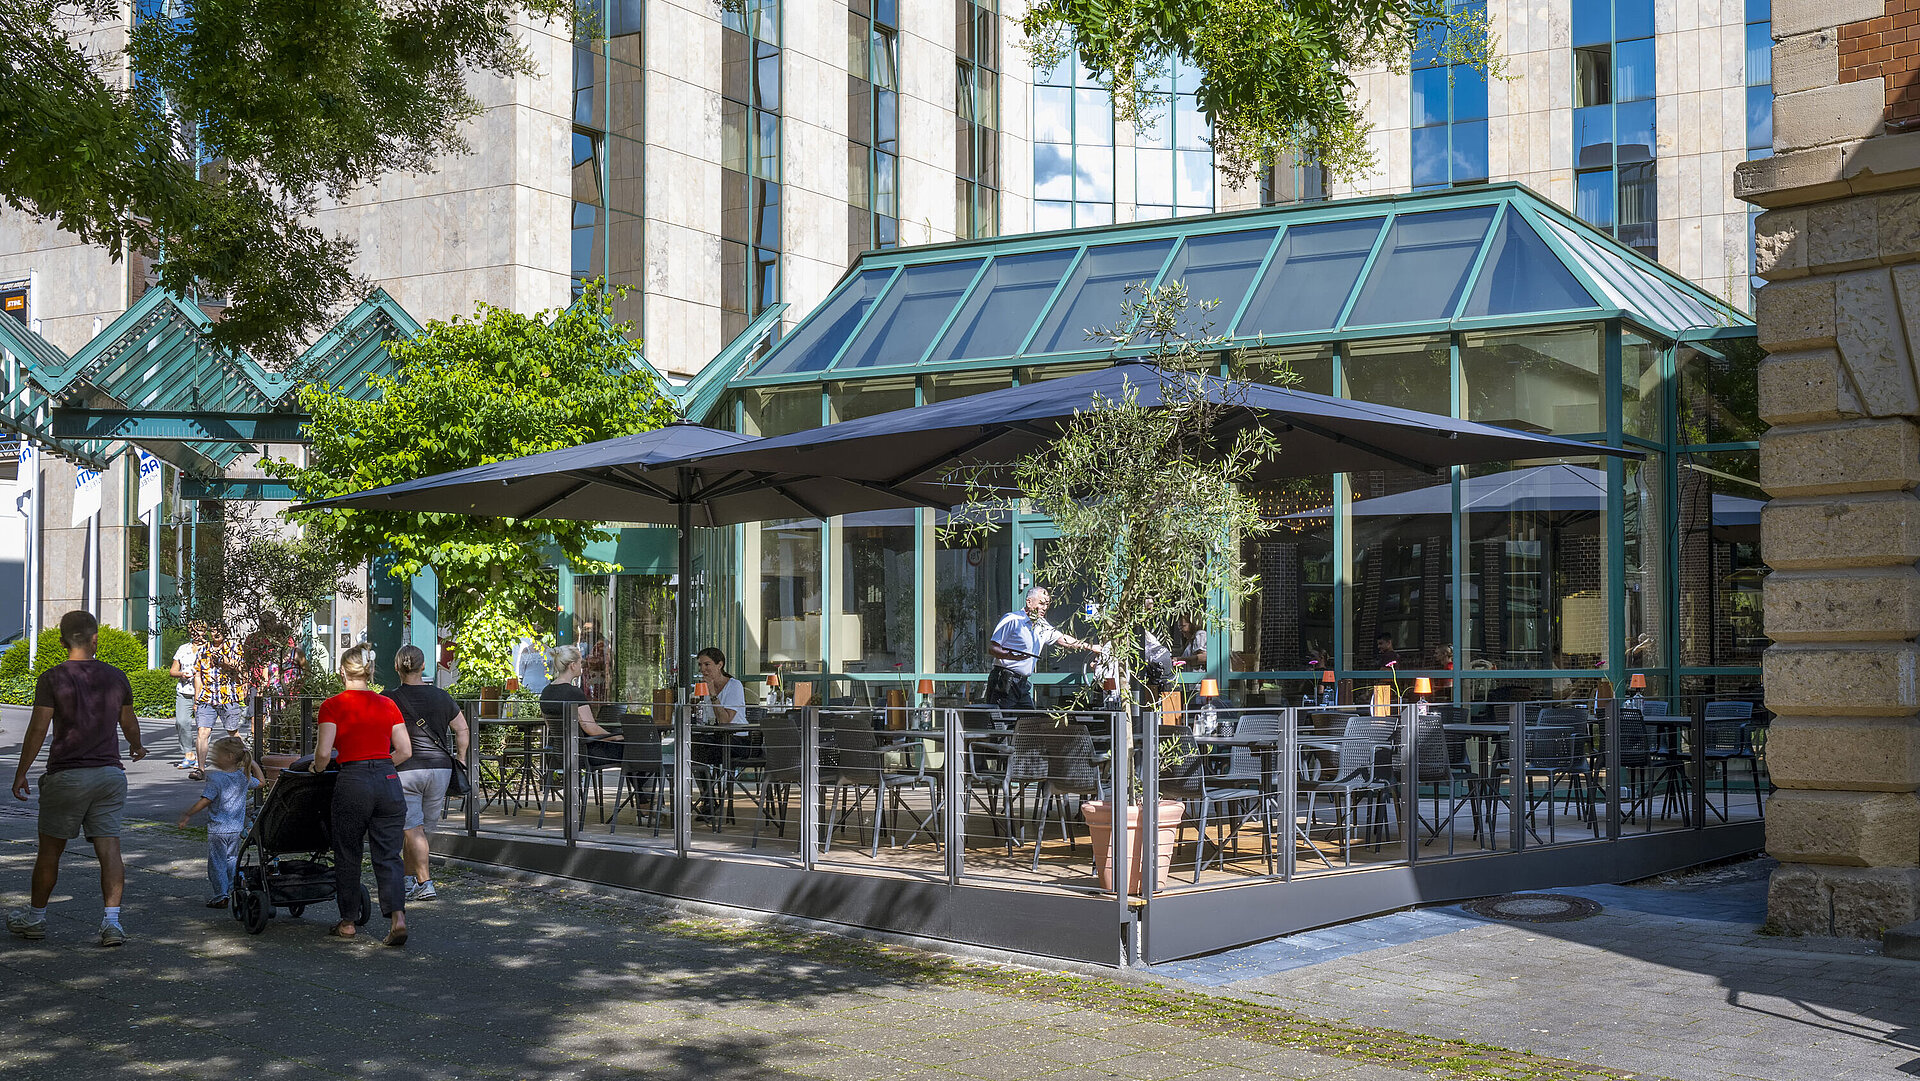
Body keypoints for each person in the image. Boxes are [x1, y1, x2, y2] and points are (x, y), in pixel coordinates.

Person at [8, 610, 147, 947]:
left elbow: (38, 728)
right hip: (110, 776)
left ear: (61, 642)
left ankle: (36, 919)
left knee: (50, 852)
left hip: (67, 775)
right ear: (96, 638)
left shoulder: (52, 678)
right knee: (110, 848)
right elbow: (128, 722)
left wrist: (22, 771)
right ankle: (112, 924)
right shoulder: (117, 676)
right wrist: (136, 746)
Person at [310, 646, 412, 946]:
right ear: (369, 672)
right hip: (388, 780)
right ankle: (398, 918)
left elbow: (324, 753)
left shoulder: (332, 706)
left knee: (348, 851)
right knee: (390, 854)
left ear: (342, 671)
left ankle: (348, 921)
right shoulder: (388, 705)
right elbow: (405, 751)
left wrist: (318, 768)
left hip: (352, 781)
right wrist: (379, 764)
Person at [384, 644, 468, 902]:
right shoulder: (442, 696)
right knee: (419, 831)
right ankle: (408, 880)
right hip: (440, 769)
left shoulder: (389, 698)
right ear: (423, 667)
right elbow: (462, 730)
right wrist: (461, 759)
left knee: (413, 830)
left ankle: (426, 882)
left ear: (397, 667)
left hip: (406, 769)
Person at [175, 735, 263, 907]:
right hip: (236, 829)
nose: (213, 757)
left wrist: (188, 814)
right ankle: (233, 889)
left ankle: (220, 895)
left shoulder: (216, 779)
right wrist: (253, 764)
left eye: (217, 754)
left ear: (229, 757)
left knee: (216, 864)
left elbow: (205, 800)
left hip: (218, 829)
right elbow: (261, 782)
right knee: (231, 859)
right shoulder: (242, 777)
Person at [986, 587, 1101, 712]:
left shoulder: (1042, 625)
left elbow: (1062, 639)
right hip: (1004, 680)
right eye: (1041, 603)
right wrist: (1012, 656)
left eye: (1047, 604)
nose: (1045, 608)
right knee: (1001, 723)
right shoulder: (1012, 619)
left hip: (1022, 683)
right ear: (1029, 602)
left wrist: (1089, 646)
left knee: (1030, 722)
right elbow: (992, 648)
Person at [539, 644, 624, 773]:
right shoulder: (574, 693)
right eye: (580, 662)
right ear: (572, 665)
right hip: (584, 753)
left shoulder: (546, 692)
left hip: (559, 753)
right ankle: (643, 792)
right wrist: (614, 737)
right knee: (633, 750)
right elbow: (589, 727)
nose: (582, 666)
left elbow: (549, 724)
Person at [192, 623, 249, 781]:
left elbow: (241, 668)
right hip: (207, 696)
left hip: (228, 696)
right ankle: (200, 768)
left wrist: (227, 662)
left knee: (232, 732)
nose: (216, 633)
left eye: (219, 630)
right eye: (213, 630)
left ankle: (245, 764)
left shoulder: (233, 646)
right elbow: (198, 675)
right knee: (202, 731)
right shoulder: (204, 649)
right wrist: (197, 698)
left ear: (225, 631)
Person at [168, 623, 201, 771]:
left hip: (203, 692)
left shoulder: (208, 649)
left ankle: (201, 757)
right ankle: (188, 754)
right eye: (193, 630)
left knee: (203, 726)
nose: (197, 633)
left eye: (200, 630)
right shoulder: (183, 649)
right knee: (181, 722)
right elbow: (173, 671)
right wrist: (182, 674)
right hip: (184, 690)